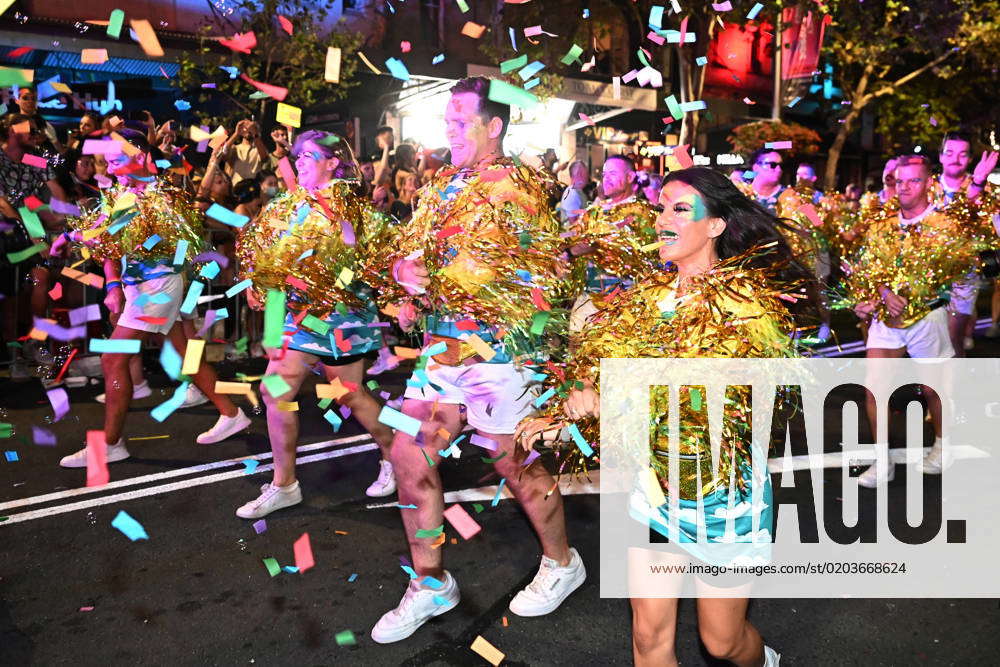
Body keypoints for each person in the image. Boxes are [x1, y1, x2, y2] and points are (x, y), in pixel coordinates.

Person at [517, 167, 797, 667]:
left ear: (715, 225)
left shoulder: (748, 306)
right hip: (653, 493)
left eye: (680, 209)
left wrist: (616, 402)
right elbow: (600, 365)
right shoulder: (648, 298)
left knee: (722, 643)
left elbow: (720, 408)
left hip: (722, 499)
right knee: (648, 640)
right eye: (660, 207)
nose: (662, 219)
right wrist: (578, 393)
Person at [368, 77, 585, 644]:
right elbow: (411, 256)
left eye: (461, 120)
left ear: (495, 126)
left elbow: (548, 273)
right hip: (441, 347)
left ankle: (562, 563)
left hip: (501, 350)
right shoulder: (440, 185)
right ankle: (431, 583)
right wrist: (404, 278)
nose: (450, 130)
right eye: (448, 120)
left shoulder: (521, 187)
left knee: (513, 462)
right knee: (407, 451)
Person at [50, 129, 252, 468]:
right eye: (108, 161)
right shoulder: (122, 194)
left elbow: (182, 246)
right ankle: (232, 414)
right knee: (184, 351)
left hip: (158, 287)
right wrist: (109, 280)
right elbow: (105, 235)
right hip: (137, 288)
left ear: (142, 157)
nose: (110, 168)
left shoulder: (164, 197)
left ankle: (110, 444)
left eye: (117, 159)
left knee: (113, 359)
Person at [234, 130, 396, 519]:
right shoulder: (286, 207)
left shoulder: (353, 211)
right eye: (297, 156)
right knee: (274, 391)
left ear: (332, 163)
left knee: (348, 394)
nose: (300, 161)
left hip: (339, 319)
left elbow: (369, 260)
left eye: (308, 156)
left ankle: (396, 454)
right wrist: (258, 289)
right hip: (297, 318)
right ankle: (284, 484)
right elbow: (266, 259)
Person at [847, 155, 997, 485]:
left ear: (929, 183)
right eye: (899, 181)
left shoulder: (944, 226)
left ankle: (942, 446)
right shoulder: (882, 227)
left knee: (934, 390)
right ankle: (882, 462)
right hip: (887, 320)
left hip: (930, 318)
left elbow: (967, 263)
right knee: (875, 391)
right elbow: (867, 270)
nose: (904, 187)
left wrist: (957, 313)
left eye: (913, 180)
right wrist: (872, 297)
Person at [565, 154, 659, 332]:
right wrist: (563, 245)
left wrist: (585, 248)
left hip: (623, 301)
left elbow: (624, 248)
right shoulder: (595, 212)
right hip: (588, 296)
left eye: (613, 174)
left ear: (630, 177)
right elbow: (570, 236)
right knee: (576, 350)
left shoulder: (643, 213)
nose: (606, 179)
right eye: (605, 174)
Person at [930, 132, 999, 354]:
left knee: (952, 339)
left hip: (963, 276)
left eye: (962, 154)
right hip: (925, 274)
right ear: (940, 156)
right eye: (949, 153)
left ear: (969, 159)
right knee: (929, 343)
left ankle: (951, 388)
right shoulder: (925, 188)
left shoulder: (983, 190)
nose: (955, 159)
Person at [220, 119, 268, 184]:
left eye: (252, 128)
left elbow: (264, 158)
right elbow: (223, 154)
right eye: (246, 128)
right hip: (234, 190)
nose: (249, 130)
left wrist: (255, 134)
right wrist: (236, 133)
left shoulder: (259, 149)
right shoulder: (234, 148)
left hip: (253, 189)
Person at [746, 148, 785, 214]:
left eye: (782, 166)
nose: (779, 169)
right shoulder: (742, 195)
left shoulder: (791, 196)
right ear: (756, 167)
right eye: (772, 165)